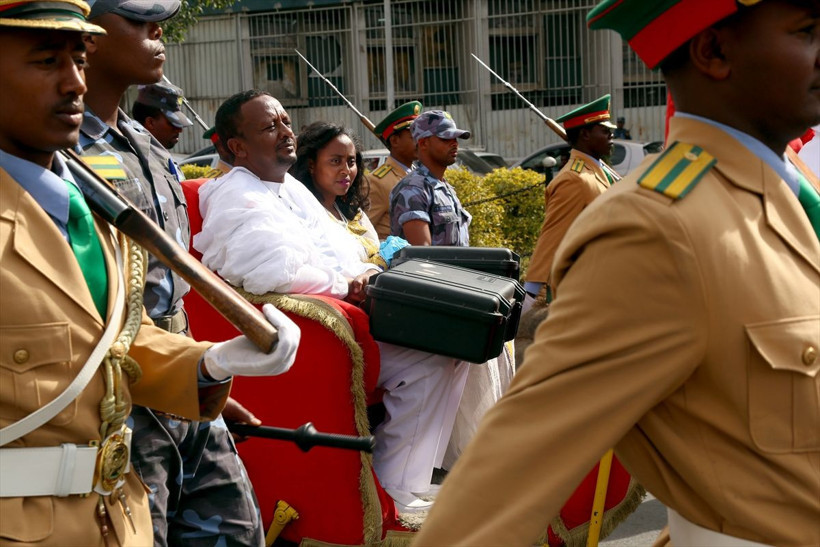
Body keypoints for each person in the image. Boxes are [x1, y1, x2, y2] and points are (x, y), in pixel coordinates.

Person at [413, 0, 820, 545]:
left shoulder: (781, 193)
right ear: (714, 51)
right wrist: (534, 291)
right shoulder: (660, 230)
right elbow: (519, 457)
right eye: (807, 31)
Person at [0, 2, 300, 545]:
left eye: (79, 61)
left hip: (119, 503)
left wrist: (206, 365)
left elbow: (107, 335)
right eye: (46, 61)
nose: (74, 83)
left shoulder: (85, 198)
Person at [193, 90, 469, 513]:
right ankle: (392, 491)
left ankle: (402, 484)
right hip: (300, 337)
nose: (286, 133)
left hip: (346, 317)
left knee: (456, 345)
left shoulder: (287, 187)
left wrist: (367, 273)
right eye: (270, 127)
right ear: (238, 146)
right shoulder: (235, 193)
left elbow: (342, 251)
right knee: (431, 358)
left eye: (286, 122)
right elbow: (268, 273)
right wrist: (344, 285)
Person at [80, 1, 268, 544]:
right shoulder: (59, 153)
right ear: (86, 33)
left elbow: (171, 290)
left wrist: (198, 379)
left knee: (238, 531)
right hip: (116, 397)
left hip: (182, 387)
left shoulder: (148, 147)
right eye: (137, 20)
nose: (157, 31)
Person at [524, 94, 616, 302]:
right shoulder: (574, 179)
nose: (611, 136)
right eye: (604, 131)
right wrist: (532, 294)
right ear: (585, 134)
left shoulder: (597, 171)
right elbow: (552, 238)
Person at [389, 110, 472, 246]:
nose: (454, 144)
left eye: (455, 139)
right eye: (445, 138)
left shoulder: (444, 187)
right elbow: (422, 253)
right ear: (423, 143)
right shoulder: (413, 189)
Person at [366, 101, 422, 240]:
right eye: (413, 137)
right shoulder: (377, 182)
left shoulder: (419, 174)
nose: (420, 142)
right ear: (395, 141)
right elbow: (364, 232)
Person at [131, 81, 193, 150]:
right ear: (150, 122)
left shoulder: (148, 152)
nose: (179, 130)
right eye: (172, 123)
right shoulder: (132, 153)